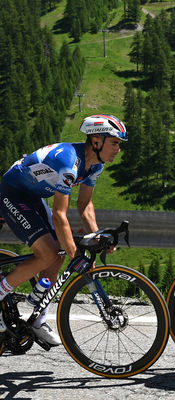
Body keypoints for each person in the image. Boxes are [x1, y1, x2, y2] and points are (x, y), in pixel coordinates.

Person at [0, 114, 127, 345]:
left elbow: (84, 205)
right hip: (13, 194)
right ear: (96, 141)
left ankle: (37, 320)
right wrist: (75, 255)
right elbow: (60, 215)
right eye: (115, 143)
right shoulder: (70, 163)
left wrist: (97, 237)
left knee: (57, 256)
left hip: (33, 196)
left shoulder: (95, 165)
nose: (118, 149)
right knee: (49, 252)